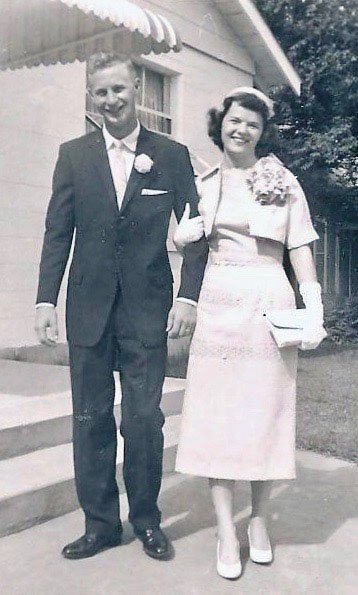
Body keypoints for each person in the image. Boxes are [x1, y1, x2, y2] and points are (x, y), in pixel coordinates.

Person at [35, 52, 208, 561]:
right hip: (87, 309)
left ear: (138, 91)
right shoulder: (74, 154)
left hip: (146, 312)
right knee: (89, 418)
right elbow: (56, 232)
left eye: (119, 90)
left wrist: (187, 295)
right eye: (100, 92)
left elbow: (196, 233)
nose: (110, 100)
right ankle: (101, 525)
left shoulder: (171, 155)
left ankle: (147, 519)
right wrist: (46, 299)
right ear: (92, 97)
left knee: (142, 419)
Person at [174, 87, 326, 579]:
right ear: (220, 123)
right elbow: (181, 240)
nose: (241, 130)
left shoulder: (281, 180)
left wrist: (313, 302)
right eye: (234, 121)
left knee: (264, 413)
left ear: (263, 133)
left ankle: (257, 521)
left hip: (267, 297)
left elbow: (300, 243)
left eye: (252, 125)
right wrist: (180, 236)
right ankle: (224, 528)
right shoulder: (201, 182)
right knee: (217, 416)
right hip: (218, 301)